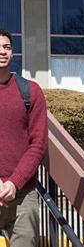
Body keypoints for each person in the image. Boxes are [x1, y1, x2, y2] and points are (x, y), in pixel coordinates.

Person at [0, 28, 48, 246]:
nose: (2, 51)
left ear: (12, 53)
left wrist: (13, 183)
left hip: (22, 193)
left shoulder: (30, 91)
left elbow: (38, 144)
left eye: (7, 47)